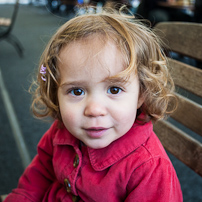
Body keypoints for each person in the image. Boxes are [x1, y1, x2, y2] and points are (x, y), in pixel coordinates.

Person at [4, 6, 183, 202]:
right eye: (77, 91)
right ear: (56, 93)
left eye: (114, 90)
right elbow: (37, 180)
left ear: (142, 93)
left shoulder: (150, 169)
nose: (94, 110)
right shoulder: (60, 131)